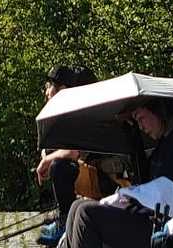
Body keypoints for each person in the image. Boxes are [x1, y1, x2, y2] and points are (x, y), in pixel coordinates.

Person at [58, 100, 173, 248]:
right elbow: (146, 181)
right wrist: (130, 129)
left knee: (86, 213)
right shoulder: (164, 144)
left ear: (158, 111)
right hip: (160, 216)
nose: (141, 126)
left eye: (141, 118)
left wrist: (130, 200)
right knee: (77, 206)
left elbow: (167, 191)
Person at [35, 66, 102, 245]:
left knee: (59, 167)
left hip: (104, 176)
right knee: (57, 162)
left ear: (62, 89)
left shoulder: (85, 110)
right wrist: (48, 153)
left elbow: (74, 151)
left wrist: (48, 159)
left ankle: (65, 223)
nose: (46, 92)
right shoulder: (68, 111)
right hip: (89, 172)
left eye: (49, 86)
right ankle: (63, 216)